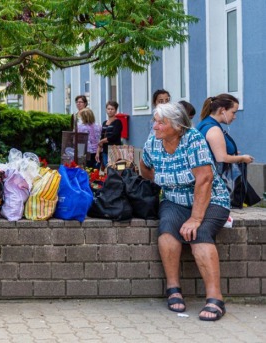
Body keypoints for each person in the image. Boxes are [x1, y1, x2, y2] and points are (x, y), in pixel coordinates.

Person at [140, 103, 230, 322]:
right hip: (173, 199)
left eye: (162, 122)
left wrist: (196, 218)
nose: (156, 126)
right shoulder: (153, 141)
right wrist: (165, 179)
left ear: (178, 126)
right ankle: (173, 288)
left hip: (210, 199)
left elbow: (205, 179)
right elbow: (144, 167)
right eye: (155, 121)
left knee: (199, 233)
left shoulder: (193, 139)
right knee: (167, 232)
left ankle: (215, 298)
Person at [196, 94, 253, 167]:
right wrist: (242, 158)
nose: (234, 117)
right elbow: (222, 158)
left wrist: (233, 156)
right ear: (222, 110)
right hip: (216, 176)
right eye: (233, 112)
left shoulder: (203, 123)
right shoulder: (214, 130)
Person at [96, 100, 122, 168]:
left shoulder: (117, 122)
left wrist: (102, 141)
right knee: (107, 170)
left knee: (114, 170)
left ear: (115, 110)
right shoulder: (104, 123)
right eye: (108, 109)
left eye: (112, 109)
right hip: (105, 151)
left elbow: (114, 136)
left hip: (114, 150)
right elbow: (101, 137)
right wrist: (98, 152)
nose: (110, 111)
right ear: (106, 110)